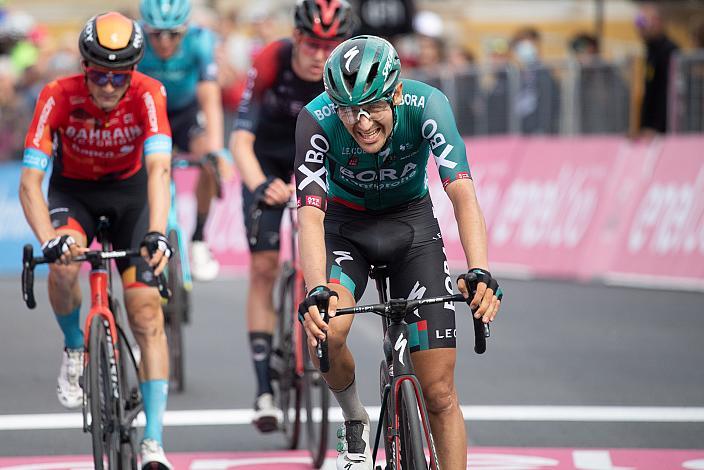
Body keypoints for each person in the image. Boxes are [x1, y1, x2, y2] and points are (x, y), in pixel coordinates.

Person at [295, 35, 503, 469]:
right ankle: (354, 419)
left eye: (372, 107)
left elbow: (462, 194)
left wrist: (479, 269)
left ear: (395, 93)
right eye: (349, 110)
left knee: (440, 392)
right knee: (327, 330)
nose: (361, 122)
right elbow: (310, 216)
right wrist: (316, 289)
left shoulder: (427, 106)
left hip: (412, 227)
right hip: (345, 231)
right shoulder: (316, 119)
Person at [18, 12, 174, 469]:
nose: (108, 86)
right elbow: (30, 183)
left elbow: (159, 169)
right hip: (75, 194)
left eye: (118, 76)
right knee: (64, 263)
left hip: (130, 196)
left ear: (132, 72)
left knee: (145, 311)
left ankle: (154, 442)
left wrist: (158, 233)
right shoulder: (56, 95)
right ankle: (73, 347)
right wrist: (48, 239)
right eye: (99, 75)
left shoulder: (149, 93)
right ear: (85, 67)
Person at [230, 0, 356, 433]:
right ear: (296, 38)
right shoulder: (270, 59)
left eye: (330, 44)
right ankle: (264, 388)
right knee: (263, 266)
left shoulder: (349, 68)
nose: (320, 54)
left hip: (320, 166)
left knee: (321, 254)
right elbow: (240, 140)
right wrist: (259, 185)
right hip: (268, 161)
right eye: (311, 43)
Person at [139, 0, 233, 281]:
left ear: (186, 30)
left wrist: (216, 150)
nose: (165, 42)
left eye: (173, 34)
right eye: (156, 34)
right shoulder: (135, 42)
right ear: (145, 30)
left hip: (185, 115)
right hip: (148, 113)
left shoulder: (200, 42)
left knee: (209, 158)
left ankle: (199, 238)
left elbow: (210, 101)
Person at [635, 2, 679, 136]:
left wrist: (656, 127)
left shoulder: (669, 52)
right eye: (637, 23)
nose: (639, 28)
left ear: (657, 22)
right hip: (651, 129)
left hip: (664, 130)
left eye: (643, 22)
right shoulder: (651, 51)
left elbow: (667, 93)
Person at [510, 26, 560, 134]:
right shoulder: (509, 76)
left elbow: (552, 104)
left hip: (540, 131)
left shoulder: (545, 74)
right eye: (522, 45)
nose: (526, 49)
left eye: (530, 44)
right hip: (515, 131)